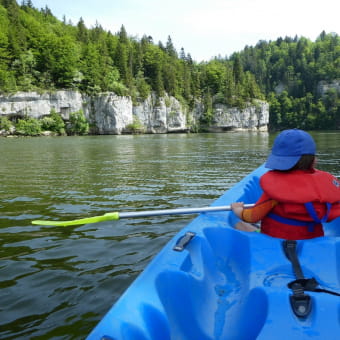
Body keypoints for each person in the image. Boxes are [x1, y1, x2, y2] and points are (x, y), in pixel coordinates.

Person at [231, 129, 340, 240]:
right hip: (312, 240)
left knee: (240, 225)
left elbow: (252, 217)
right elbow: (331, 215)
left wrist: (238, 210)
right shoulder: (323, 189)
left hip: (276, 240)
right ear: (314, 161)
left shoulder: (275, 190)